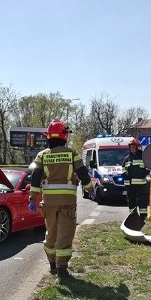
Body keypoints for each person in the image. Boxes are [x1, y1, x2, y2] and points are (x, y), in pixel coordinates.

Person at [28, 119, 94, 278]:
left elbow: (35, 178)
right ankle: (62, 268)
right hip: (67, 203)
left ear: (49, 137)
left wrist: (32, 198)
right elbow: (83, 174)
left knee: (51, 232)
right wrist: (90, 190)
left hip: (49, 203)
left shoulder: (42, 155)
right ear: (64, 136)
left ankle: (52, 263)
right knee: (65, 233)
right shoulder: (72, 154)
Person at [121, 138, 149, 219]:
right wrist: (125, 177)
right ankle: (132, 216)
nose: (132, 148)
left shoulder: (143, 157)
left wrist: (146, 175)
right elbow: (123, 170)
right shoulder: (127, 158)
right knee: (131, 201)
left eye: (134, 146)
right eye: (131, 147)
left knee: (142, 200)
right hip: (130, 185)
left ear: (137, 147)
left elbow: (148, 168)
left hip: (141, 184)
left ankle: (143, 216)